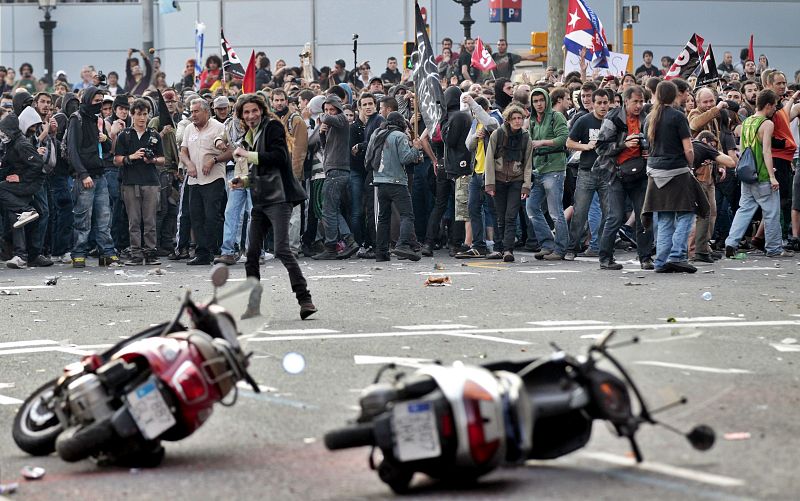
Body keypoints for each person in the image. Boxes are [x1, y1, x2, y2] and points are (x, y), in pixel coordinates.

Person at [230, 94, 316, 320]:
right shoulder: (250, 135)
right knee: (251, 254)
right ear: (241, 116)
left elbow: (278, 158)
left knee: (281, 250)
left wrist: (246, 154)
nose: (250, 116)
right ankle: (253, 305)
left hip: (279, 197)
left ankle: (305, 299)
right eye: (246, 112)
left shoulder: (273, 127)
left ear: (262, 110)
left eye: (254, 111)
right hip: (261, 197)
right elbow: (262, 169)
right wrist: (244, 181)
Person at [641, 80, 709, 273]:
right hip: (677, 172)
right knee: (686, 213)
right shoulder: (678, 116)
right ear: (674, 95)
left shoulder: (649, 118)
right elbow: (688, 148)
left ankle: (661, 261)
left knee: (664, 217)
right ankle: (677, 256)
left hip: (655, 173)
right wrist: (691, 164)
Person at [725, 90, 792, 258]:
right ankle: (774, 248)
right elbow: (766, 151)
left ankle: (731, 242)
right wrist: (771, 176)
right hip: (762, 175)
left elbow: (744, 149)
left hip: (747, 174)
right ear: (768, 105)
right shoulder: (766, 124)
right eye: (774, 106)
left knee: (744, 209)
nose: (775, 110)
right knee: (771, 213)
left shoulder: (747, 122)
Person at [593, 85, 654, 270]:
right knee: (615, 217)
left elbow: (654, 142)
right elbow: (601, 147)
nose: (638, 105)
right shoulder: (613, 118)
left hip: (640, 174)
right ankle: (605, 258)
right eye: (635, 101)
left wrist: (648, 151)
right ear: (625, 101)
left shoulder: (646, 118)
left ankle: (645, 258)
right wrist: (623, 144)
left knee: (644, 216)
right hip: (616, 173)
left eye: (641, 101)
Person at [67, 87, 121, 268]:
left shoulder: (97, 120)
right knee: (83, 218)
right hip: (85, 178)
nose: (99, 104)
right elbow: (72, 150)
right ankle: (79, 253)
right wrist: (83, 174)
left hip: (100, 176)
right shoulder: (77, 118)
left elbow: (106, 150)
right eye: (96, 100)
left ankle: (107, 252)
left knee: (104, 218)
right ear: (88, 100)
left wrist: (106, 138)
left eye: (101, 100)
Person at [113, 98, 165, 266]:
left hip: (150, 181)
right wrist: (131, 157)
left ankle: (151, 253)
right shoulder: (125, 135)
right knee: (133, 221)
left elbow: (163, 159)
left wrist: (153, 160)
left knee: (150, 220)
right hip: (130, 182)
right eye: (139, 114)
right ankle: (136, 253)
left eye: (145, 114)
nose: (142, 118)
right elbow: (116, 160)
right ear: (132, 114)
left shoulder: (154, 135)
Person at [366, 111, 424, 261]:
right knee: (407, 214)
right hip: (397, 181)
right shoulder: (399, 136)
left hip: (379, 179)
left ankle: (382, 252)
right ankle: (402, 244)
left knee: (383, 217)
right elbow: (406, 158)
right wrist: (416, 148)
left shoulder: (376, 134)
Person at [179, 98, 226, 265]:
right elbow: (183, 152)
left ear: (207, 111)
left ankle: (214, 249)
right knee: (195, 216)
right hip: (194, 180)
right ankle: (202, 253)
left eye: (196, 111)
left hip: (213, 178)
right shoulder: (189, 129)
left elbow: (229, 152)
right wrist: (189, 163)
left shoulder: (219, 128)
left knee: (212, 216)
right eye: (191, 112)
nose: (193, 115)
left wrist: (213, 160)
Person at [564, 89, 610, 260]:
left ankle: (601, 247)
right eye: (599, 103)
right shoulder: (584, 120)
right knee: (580, 212)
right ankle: (572, 248)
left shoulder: (613, 121)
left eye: (605, 102)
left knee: (609, 213)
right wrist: (586, 146)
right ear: (594, 103)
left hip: (607, 172)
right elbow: (569, 142)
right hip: (586, 171)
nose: (603, 106)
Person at [484, 105, 533, 262]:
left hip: (516, 180)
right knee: (500, 216)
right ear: (508, 120)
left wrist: (526, 185)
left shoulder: (526, 137)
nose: (518, 121)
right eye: (514, 118)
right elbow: (489, 160)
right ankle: (500, 247)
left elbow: (528, 164)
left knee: (511, 216)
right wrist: (489, 184)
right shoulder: (497, 134)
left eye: (520, 118)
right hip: (498, 180)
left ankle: (508, 249)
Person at [313, 94, 359, 260]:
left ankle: (332, 247)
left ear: (338, 109)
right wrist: (322, 133)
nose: (328, 112)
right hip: (333, 170)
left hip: (337, 171)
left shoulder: (341, 119)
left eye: (331, 109)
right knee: (332, 210)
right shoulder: (333, 125)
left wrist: (323, 117)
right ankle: (349, 241)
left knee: (329, 211)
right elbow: (326, 147)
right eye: (326, 109)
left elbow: (333, 119)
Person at [527, 87, 570, 261]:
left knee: (555, 212)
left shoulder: (556, 116)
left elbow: (564, 139)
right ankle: (547, 244)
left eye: (541, 100)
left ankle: (560, 249)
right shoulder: (531, 120)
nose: (539, 104)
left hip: (554, 168)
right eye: (535, 101)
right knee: (531, 207)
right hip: (537, 169)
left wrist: (542, 142)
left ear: (547, 100)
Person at [456, 94, 500, 258]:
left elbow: (491, 124)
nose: (475, 115)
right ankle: (479, 246)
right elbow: (468, 145)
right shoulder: (475, 123)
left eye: (477, 111)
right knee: (473, 208)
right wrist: (475, 136)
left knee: (493, 210)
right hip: (476, 172)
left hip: (491, 173)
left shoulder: (495, 118)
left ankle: (499, 245)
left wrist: (473, 103)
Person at [0, 113, 45, 268]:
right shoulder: (10, 144)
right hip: (19, 185)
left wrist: (21, 178)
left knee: (5, 194)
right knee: (16, 217)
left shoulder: (21, 144)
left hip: (29, 184)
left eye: (4, 131)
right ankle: (20, 256)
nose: (2, 134)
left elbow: (37, 165)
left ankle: (27, 209)